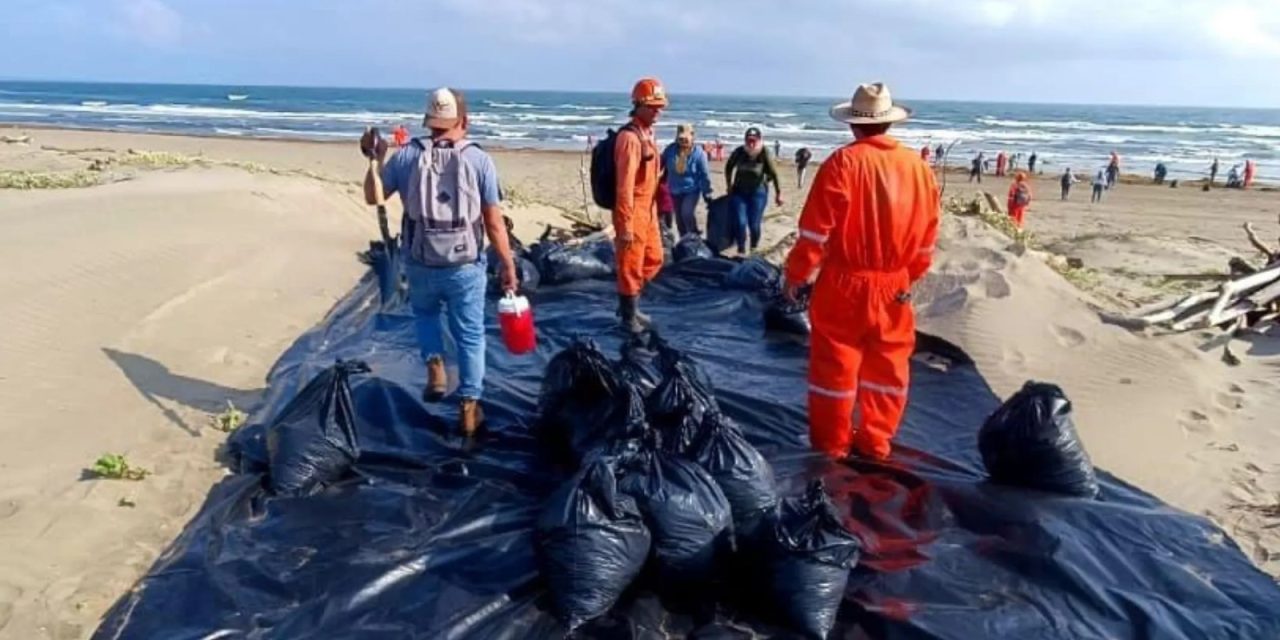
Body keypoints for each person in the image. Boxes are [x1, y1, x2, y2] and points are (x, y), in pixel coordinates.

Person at [783, 82, 939, 461]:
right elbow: (926, 239)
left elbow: (815, 233)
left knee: (835, 368)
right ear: (889, 124)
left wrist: (797, 276)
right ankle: (876, 442)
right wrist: (906, 278)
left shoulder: (843, 163)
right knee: (888, 368)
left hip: (844, 283)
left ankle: (831, 447)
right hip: (894, 285)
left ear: (853, 125)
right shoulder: (919, 169)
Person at [362, 87, 517, 436]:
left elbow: (374, 197)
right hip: (465, 264)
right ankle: (469, 407)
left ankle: (435, 366)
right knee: (471, 335)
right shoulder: (479, 160)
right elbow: (493, 222)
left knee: (426, 315)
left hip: (420, 258)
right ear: (464, 120)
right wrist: (507, 263)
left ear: (429, 121)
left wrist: (376, 161)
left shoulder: (407, 156)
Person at [613, 77, 669, 333]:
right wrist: (624, 224)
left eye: (660, 107)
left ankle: (629, 304)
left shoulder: (648, 134)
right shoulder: (630, 139)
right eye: (653, 107)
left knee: (655, 257)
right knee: (630, 266)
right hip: (632, 209)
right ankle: (628, 315)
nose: (658, 111)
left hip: (648, 209)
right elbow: (624, 186)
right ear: (639, 105)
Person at [725, 127, 784, 255]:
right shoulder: (739, 152)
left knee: (754, 224)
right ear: (745, 140)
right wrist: (729, 185)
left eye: (754, 140)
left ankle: (753, 248)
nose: (751, 143)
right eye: (749, 140)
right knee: (740, 222)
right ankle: (741, 249)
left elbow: (774, 174)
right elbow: (728, 167)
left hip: (758, 193)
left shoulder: (764, 153)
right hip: (739, 191)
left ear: (759, 140)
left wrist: (779, 194)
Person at [661, 123, 713, 237]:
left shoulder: (699, 154)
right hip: (674, 190)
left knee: (687, 213)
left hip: (691, 190)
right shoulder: (670, 150)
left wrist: (707, 192)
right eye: (680, 139)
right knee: (679, 220)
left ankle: (694, 234)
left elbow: (704, 174)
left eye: (686, 138)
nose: (683, 141)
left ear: (692, 136)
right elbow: (660, 164)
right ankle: (684, 241)